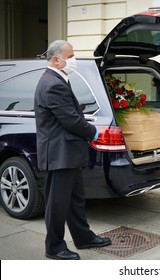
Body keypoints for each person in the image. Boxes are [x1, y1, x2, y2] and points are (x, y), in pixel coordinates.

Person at [34, 40, 111, 260]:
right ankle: (55, 247)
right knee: (57, 203)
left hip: (68, 153)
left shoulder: (58, 79)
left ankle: (83, 237)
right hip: (60, 154)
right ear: (56, 59)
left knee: (75, 199)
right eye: (70, 56)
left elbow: (70, 115)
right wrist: (93, 133)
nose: (73, 60)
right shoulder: (53, 83)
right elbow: (70, 120)